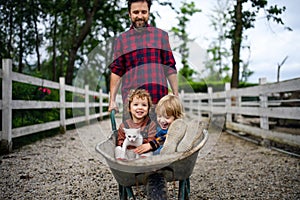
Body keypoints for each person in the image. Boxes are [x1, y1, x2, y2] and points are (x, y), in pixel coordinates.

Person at [108, 0, 178, 121]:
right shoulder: (122, 40)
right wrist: (112, 101)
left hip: (158, 101)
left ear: (149, 13)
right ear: (129, 14)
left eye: (143, 12)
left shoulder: (161, 36)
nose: (140, 16)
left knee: (159, 138)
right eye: (135, 12)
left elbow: (170, 67)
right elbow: (117, 71)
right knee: (131, 139)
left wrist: (175, 96)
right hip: (132, 103)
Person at [115, 89, 157, 160]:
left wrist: (147, 145)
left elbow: (151, 139)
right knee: (118, 148)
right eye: (135, 104)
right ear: (129, 108)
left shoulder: (151, 124)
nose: (140, 107)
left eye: (144, 105)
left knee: (149, 153)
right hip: (128, 152)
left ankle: (142, 164)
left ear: (148, 108)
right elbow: (120, 140)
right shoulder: (124, 125)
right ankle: (122, 162)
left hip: (142, 151)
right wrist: (126, 143)